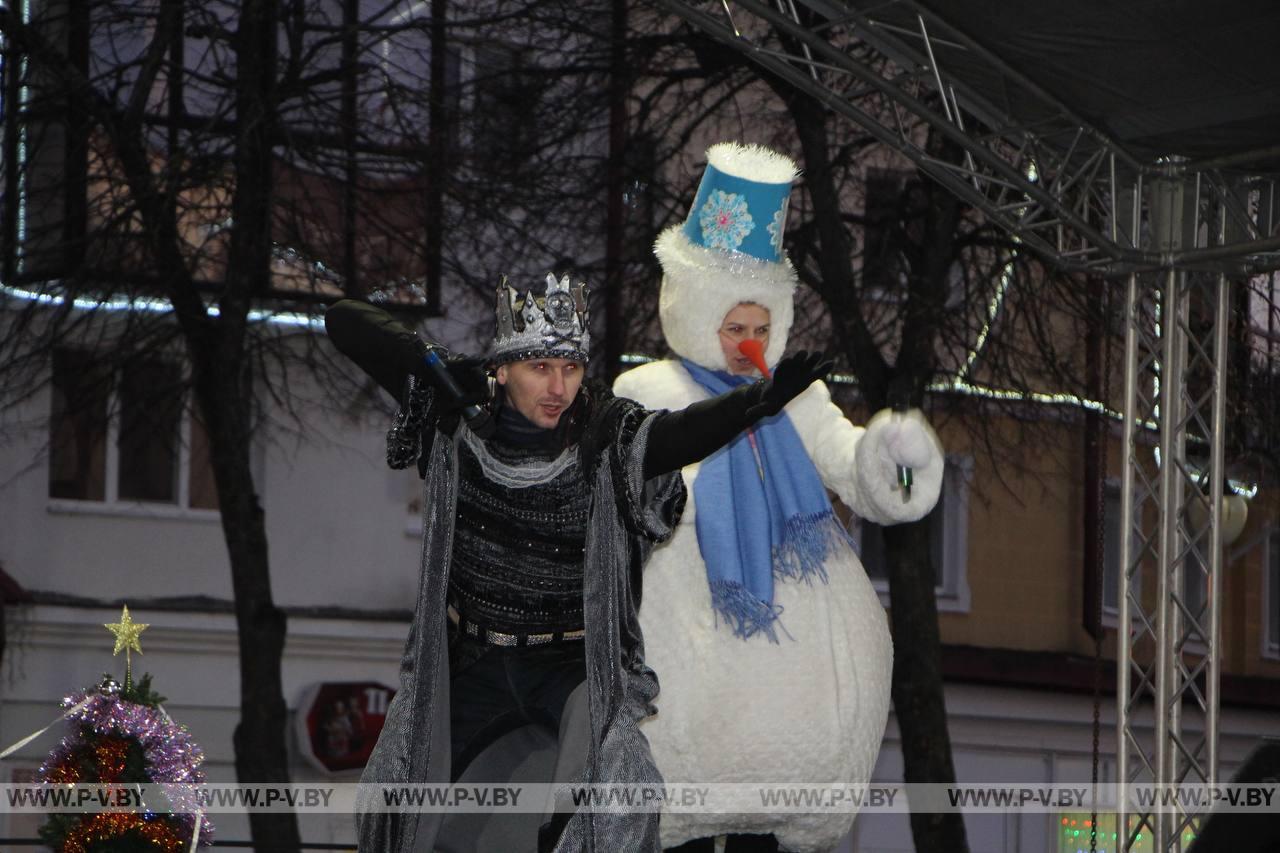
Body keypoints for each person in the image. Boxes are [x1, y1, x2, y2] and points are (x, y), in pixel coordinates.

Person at [325, 273, 833, 853]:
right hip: (472, 662)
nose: (558, 386)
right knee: (405, 812)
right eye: (540, 367)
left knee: (598, 808)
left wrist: (756, 401)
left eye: (570, 368)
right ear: (503, 369)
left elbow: (678, 434)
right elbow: (343, 319)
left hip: (570, 665)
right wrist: (435, 364)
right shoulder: (454, 412)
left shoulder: (606, 433)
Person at [614, 142, 945, 852]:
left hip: (788, 687)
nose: (748, 343)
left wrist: (899, 461)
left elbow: (854, 467)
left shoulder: (796, 399)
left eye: (761, 328)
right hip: (690, 651)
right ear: (697, 313)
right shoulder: (645, 392)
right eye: (735, 327)